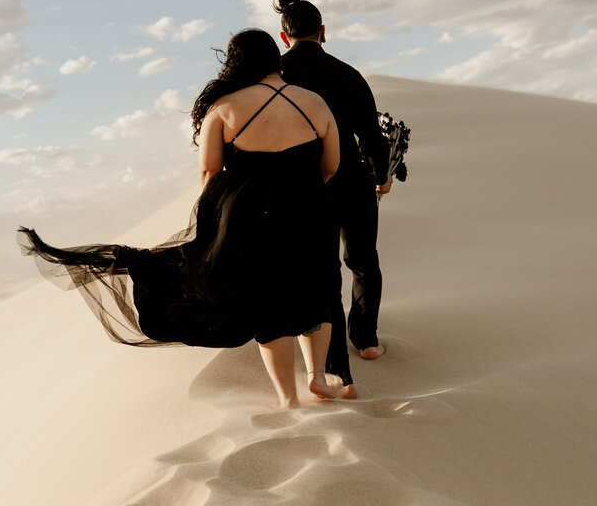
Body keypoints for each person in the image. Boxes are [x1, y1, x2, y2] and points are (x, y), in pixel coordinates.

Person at [19, 28, 355, 407]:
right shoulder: (315, 103)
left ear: (237, 62)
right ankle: (317, 378)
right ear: (276, 57)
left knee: (270, 301)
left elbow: (210, 173)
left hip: (250, 217)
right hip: (311, 209)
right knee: (315, 287)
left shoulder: (225, 108)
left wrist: (224, 214)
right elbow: (331, 165)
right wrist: (301, 191)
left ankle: (288, 399)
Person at [274, 0, 392, 388]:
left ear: (284, 35)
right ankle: (368, 340)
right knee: (363, 261)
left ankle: (337, 368)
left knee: (323, 272)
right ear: (323, 31)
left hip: (307, 187)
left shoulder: (276, 77)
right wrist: (381, 174)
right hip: (354, 180)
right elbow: (372, 135)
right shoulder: (349, 74)